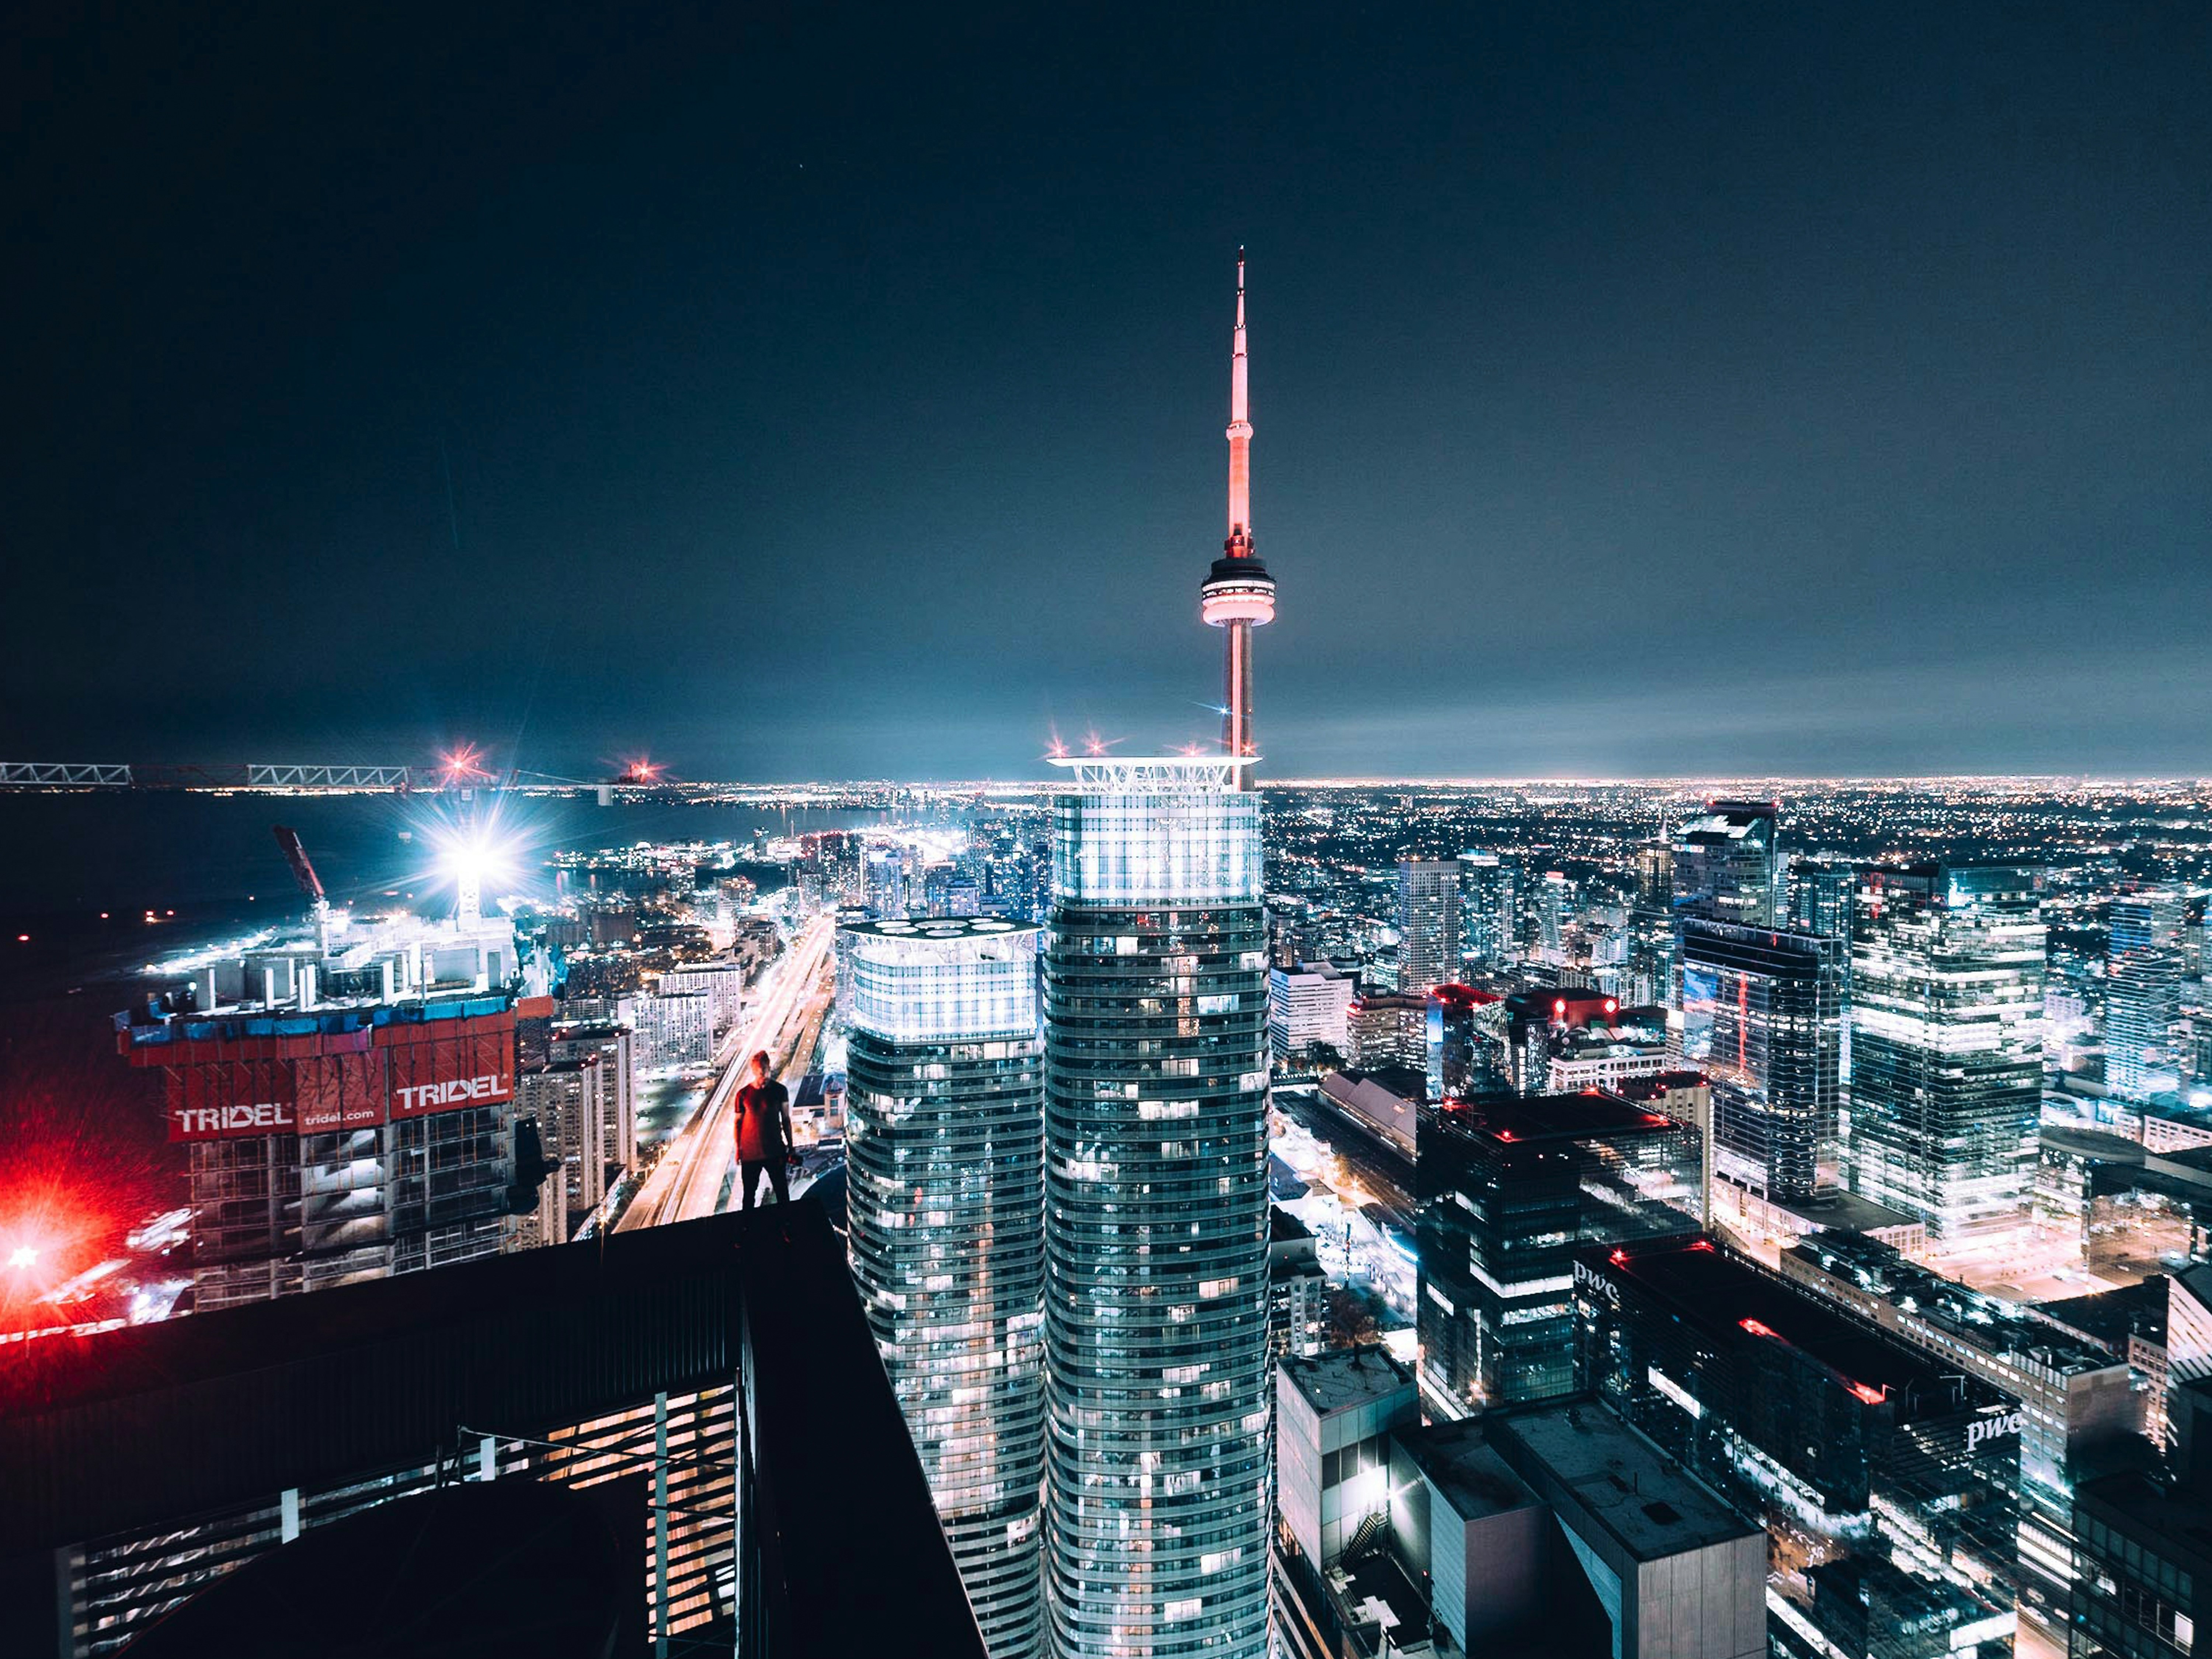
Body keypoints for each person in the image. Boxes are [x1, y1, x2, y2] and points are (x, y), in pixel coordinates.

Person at [734, 1051, 794, 1210]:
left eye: (766, 1070)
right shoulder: (743, 1095)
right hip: (750, 1155)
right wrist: (739, 1150)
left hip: (775, 1151)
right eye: (761, 1072)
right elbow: (738, 1124)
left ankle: (787, 1227)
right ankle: (748, 1229)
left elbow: (786, 1120)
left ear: (769, 1068)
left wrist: (791, 1147)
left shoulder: (780, 1091)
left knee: (782, 1193)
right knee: (749, 1196)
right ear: (754, 1072)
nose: (764, 1075)